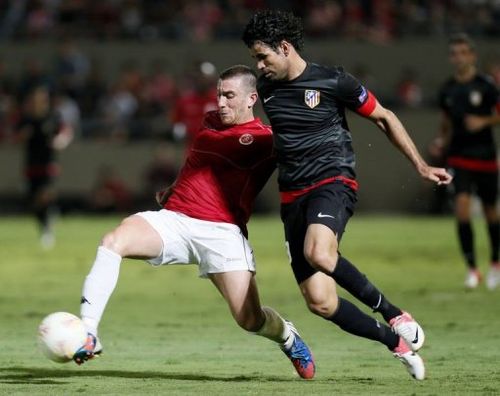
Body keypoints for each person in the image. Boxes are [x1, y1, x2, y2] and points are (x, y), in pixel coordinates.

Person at [242, 10, 453, 381]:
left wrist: (420, 165)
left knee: (319, 252)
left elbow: (384, 117)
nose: (259, 64)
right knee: (320, 302)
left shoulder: (333, 80)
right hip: (293, 197)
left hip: (332, 182)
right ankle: (395, 343)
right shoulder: (267, 90)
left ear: (286, 48)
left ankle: (394, 313)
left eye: (263, 56)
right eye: (255, 58)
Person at [73, 65, 316, 379]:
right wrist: (174, 188)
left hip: (223, 232)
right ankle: (88, 333)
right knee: (112, 242)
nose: (221, 102)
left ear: (251, 98)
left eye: (229, 96)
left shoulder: (266, 140)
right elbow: (199, 161)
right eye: (219, 95)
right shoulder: (211, 122)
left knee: (249, 319)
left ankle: (287, 336)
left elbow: (306, 156)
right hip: (175, 220)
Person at [433, 33, 500, 290]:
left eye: (464, 52)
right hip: (459, 157)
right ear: (452, 57)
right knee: (461, 209)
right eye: (455, 53)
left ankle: (495, 263)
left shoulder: (486, 85)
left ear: (472, 55)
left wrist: (484, 121)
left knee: (490, 212)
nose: (459, 57)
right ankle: (472, 269)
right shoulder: (447, 89)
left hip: (484, 157)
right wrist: (441, 139)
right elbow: (446, 122)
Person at [15, 85, 73, 248]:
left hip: (48, 164)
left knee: (45, 194)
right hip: (31, 165)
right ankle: (46, 224)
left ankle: (48, 227)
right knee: (34, 201)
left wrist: (61, 140)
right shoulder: (26, 119)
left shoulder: (52, 117)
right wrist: (22, 136)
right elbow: (16, 137)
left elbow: (66, 131)